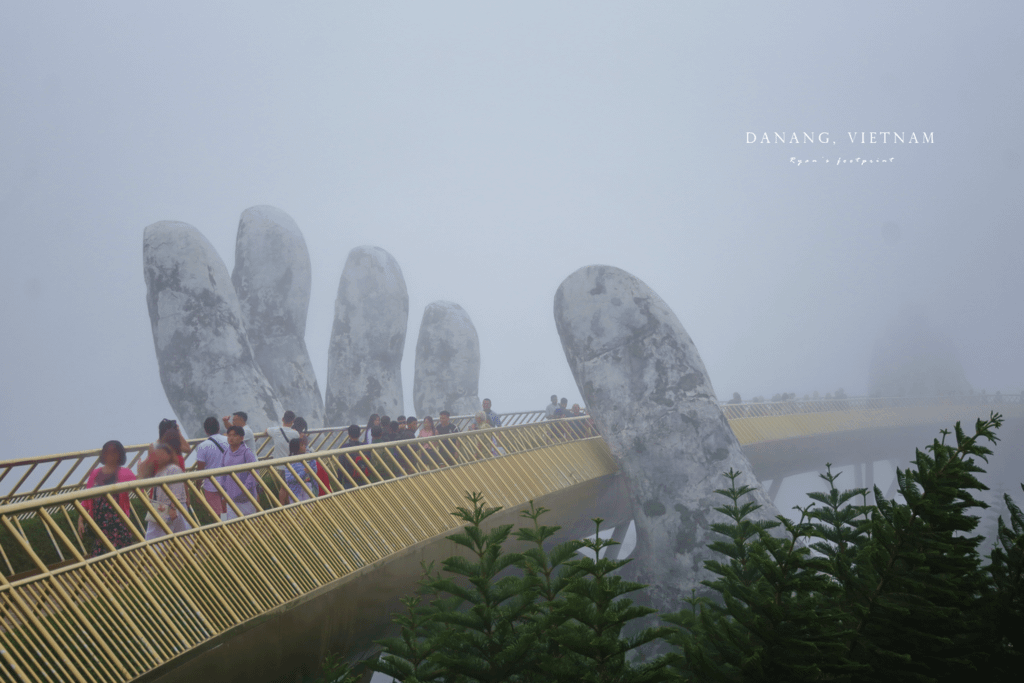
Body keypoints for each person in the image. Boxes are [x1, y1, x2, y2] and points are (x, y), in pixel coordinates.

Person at [78, 440, 137, 556]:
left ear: (120, 454)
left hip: (119, 524)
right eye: (107, 452)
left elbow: (139, 489)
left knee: (121, 556)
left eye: (114, 452)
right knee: (100, 557)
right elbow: (86, 499)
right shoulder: (95, 473)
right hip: (99, 525)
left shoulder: (126, 473)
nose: (110, 455)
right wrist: (80, 520)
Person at [143, 443, 190, 540]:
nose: (158, 457)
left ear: (168, 455)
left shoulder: (173, 469)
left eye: (161, 454)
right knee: (158, 535)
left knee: (179, 535)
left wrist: (173, 507)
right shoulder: (160, 472)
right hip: (162, 506)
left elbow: (176, 489)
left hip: (171, 506)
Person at [220, 425, 260, 519]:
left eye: (234, 435)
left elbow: (254, 473)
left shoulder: (247, 453)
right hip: (231, 498)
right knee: (234, 526)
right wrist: (224, 492)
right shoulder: (226, 453)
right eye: (229, 435)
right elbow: (223, 474)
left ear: (242, 438)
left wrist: (244, 489)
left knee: (249, 524)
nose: (231, 438)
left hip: (246, 498)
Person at [194, 416, 229, 520]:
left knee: (218, 514)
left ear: (205, 431)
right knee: (229, 511)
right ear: (218, 428)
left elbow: (200, 470)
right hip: (229, 481)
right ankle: (232, 531)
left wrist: (197, 489)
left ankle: (223, 530)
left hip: (211, 485)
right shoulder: (228, 441)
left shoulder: (203, 446)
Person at [282, 438, 316, 502]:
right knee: (296, 510)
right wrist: (304, 472)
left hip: (307, 488)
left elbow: (314, 470)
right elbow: (289, 479)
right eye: (302, 445)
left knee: (309, 507)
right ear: (296, 447)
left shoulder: (306, 459)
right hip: (296, 492)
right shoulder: (291, 462)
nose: (305, 446)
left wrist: (312, 462)